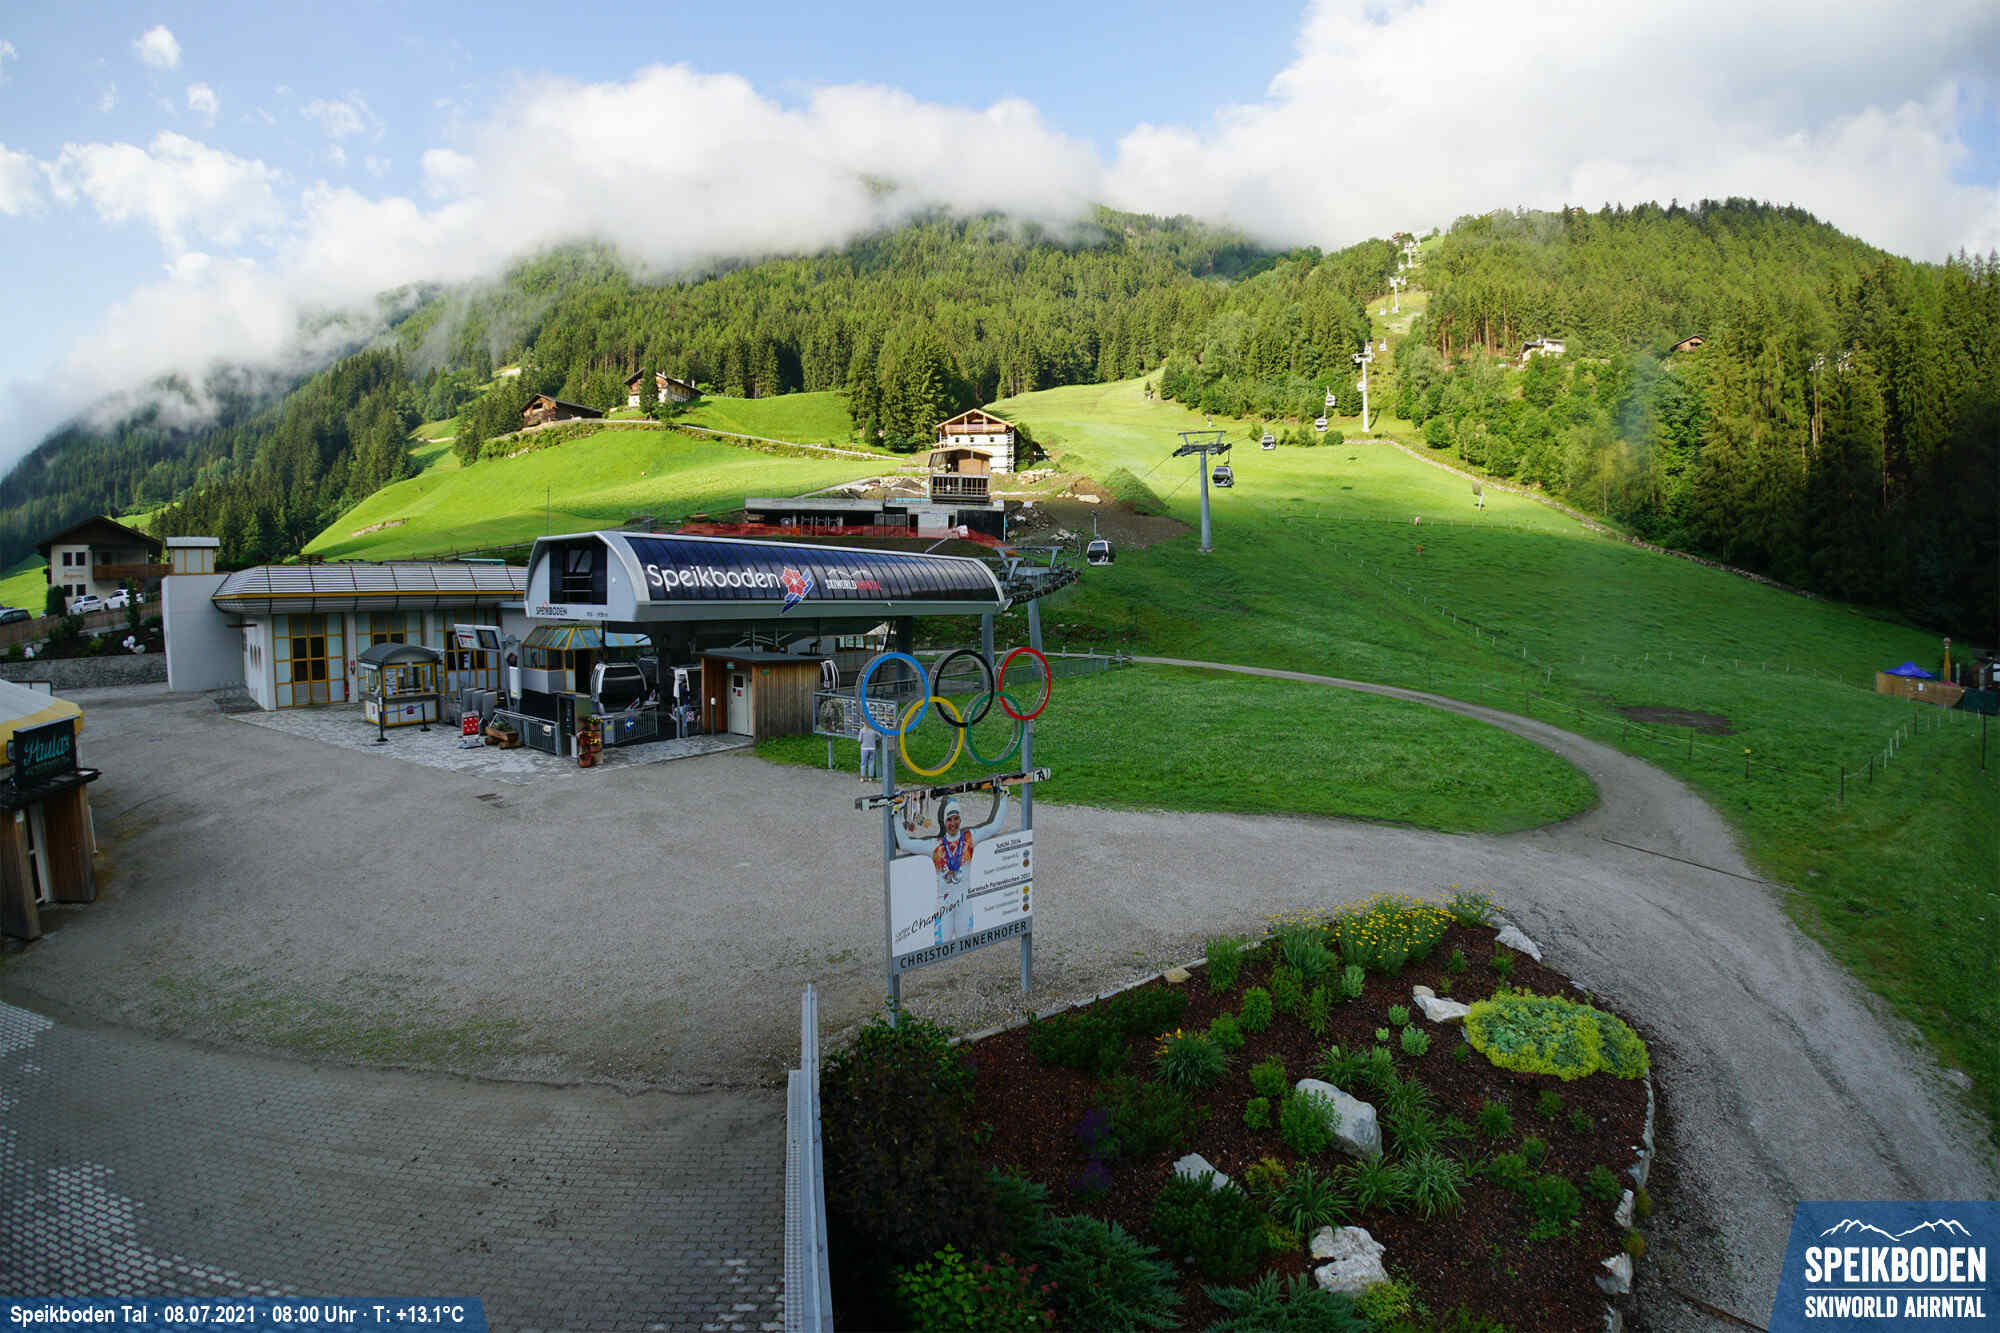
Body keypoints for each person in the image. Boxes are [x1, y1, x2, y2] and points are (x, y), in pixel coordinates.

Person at [895, 790, 1009, 945]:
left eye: (956, 818)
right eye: (949, 819)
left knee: (965, 945)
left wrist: (1004, 797)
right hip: (944, 906)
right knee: (940, 948)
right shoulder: (935, 845)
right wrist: (896, 813)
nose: (953, 823)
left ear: (960, 819)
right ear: (944, 821)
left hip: (964, 903)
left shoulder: (970, 838)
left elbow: (995, 826)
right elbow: (904, 843)